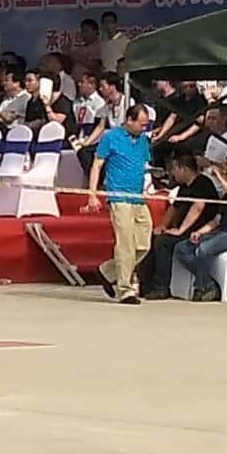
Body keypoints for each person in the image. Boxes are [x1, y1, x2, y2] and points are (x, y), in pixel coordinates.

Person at [91, 100, 157, 304]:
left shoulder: (143, 141)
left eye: (146, 124)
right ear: (129, 120)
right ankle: (125, 289)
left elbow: (143, 164)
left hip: (138, 196)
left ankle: (108, 270)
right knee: (126, 242)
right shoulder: (110, 137)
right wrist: (92, 194)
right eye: (141, 124)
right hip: (118, 196)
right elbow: (97, 165)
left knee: (144, 243)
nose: (144, 128)